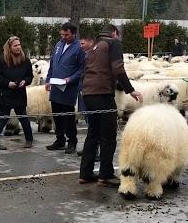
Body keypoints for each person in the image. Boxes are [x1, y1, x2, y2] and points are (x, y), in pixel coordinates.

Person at [79, 25, 143, 187]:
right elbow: (117, 68)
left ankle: (85, 173)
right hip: (103, 94)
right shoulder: (113, 44)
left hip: (88, 93)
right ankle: (105, 175)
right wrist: (130, 90)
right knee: (108, 135)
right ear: (115, 33)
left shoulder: (94, 47)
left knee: (93, 134)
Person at [44, 22, 85, 154]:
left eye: (66, 35)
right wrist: (48, 79)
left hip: (68, 88)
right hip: (56, 86)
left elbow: (82, 69)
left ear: (74, 34)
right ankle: (59, 139)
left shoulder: (79, 48)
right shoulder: (58, 44)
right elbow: (53, 63)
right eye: (62, 34)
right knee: (57, 114)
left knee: (68, 116)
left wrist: (71, 79)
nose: (64, 37)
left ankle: (72, 141)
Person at [0, 36, 34, 150]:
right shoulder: (1, 60)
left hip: (19, 93)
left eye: (19, 45)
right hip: (5, 93)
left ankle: (29, 139)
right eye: (15, 46)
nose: (18, 47)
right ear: (9, 47)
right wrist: (7, 83)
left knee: (23, 117)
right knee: (3, 117)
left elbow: (29, 76)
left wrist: (25, 81)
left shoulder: (25, 61)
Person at [77, 34, 100, 162]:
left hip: (91, 92)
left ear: (91, 42)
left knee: (94, 124)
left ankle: (95, 150)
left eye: (83, 43)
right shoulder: (85, 55)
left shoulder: (96, 55)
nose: (81, 46)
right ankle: (90, 149)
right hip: (84, 91)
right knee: (88, 121)